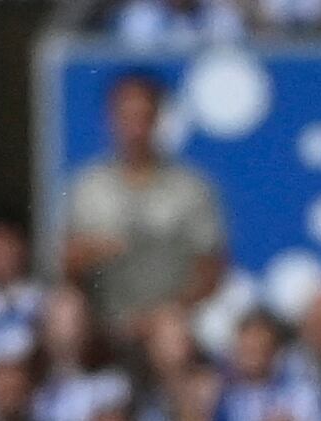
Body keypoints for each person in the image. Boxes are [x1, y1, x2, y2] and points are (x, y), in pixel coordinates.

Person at [61, 73, 228, 329]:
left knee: (171, 334)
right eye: (126, 117)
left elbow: (212, 269)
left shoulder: (191, 188)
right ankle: (69, 370)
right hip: (103, 318)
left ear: (159, 119)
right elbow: (63, 264)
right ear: (110, 119)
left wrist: (169, 311)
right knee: (64, 311)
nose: (135, 130)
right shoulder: (87, 187)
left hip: (169, 315)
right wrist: (89, 252)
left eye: (144, 118)